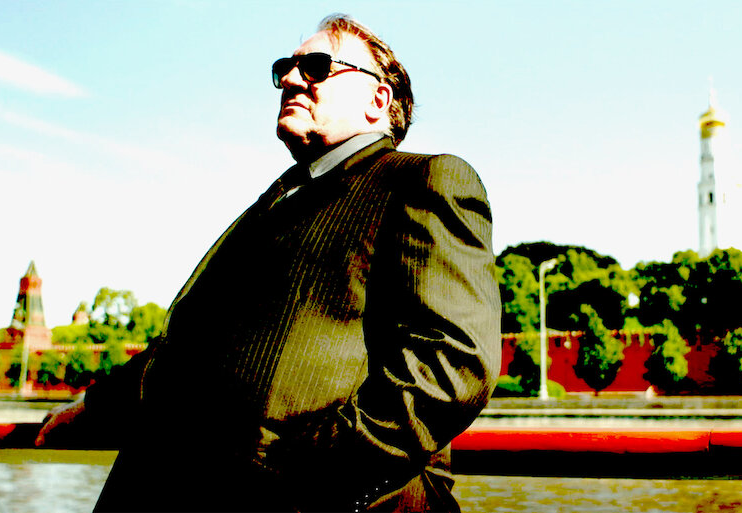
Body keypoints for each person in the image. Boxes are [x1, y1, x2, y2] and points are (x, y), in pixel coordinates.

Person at [36, 14, 501, 512]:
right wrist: (90, 408)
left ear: (377, 100)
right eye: (285, 67)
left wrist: (296, 474)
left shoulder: (421, 181)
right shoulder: (274, 202)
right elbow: (186, 350)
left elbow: (451, 363)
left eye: (317, 66)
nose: (290, 79)